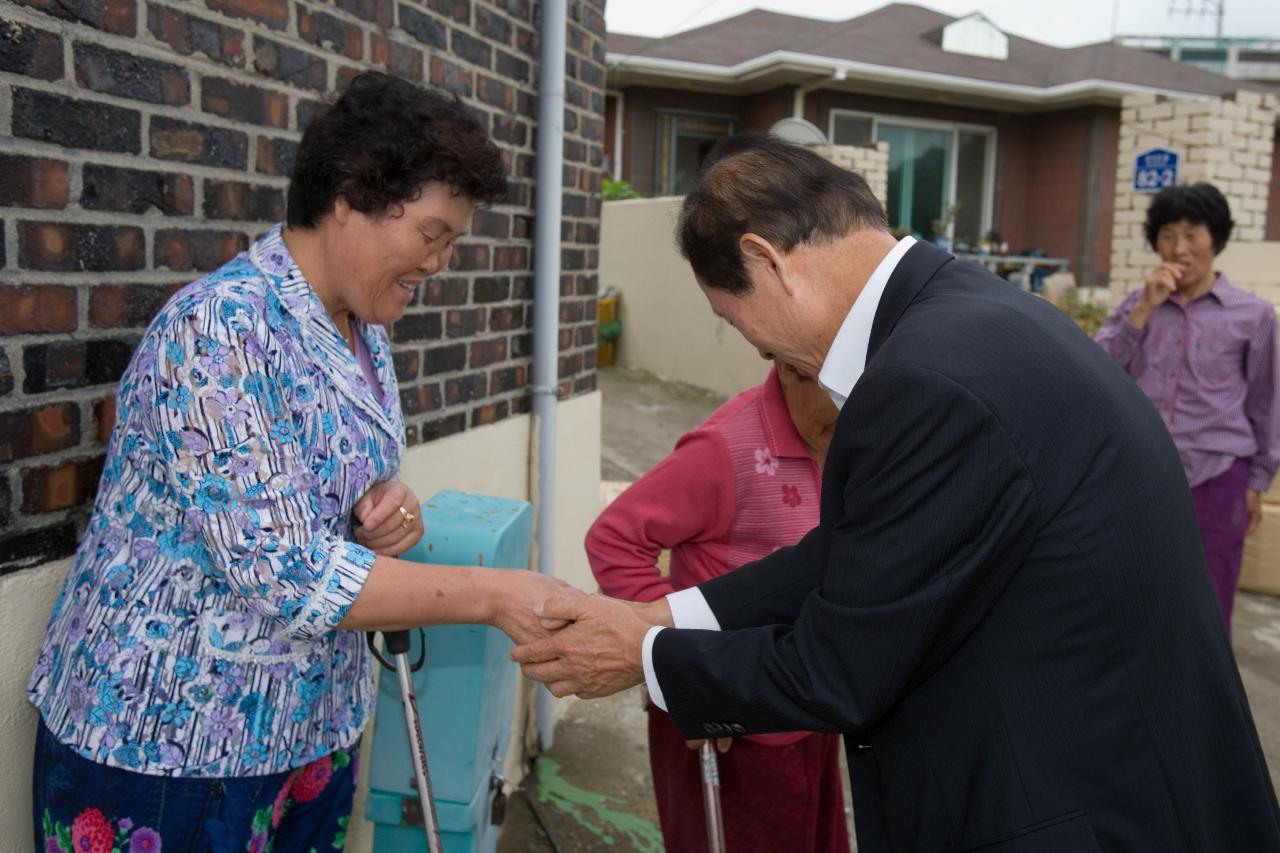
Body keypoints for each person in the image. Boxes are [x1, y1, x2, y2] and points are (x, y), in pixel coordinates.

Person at [513, 135, 1280, 852]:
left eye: (732, 315)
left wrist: (646, 657)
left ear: (769, 262)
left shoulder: (923, 380)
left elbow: (836, 669)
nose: (753, 345)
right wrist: (667, 612)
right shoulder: (969, 318)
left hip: (1076, 803)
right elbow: (863, 546)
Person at [27, 71, 562, 852]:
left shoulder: (363, 331)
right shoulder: (218, 329)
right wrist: (493, 595)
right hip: (168, 745)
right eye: (433, 232)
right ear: (350, 196)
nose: (441, 261)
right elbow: (286, 568)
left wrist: (393, 506)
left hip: (303, 732)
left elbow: (330, 489)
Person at [586, 363, 848, 853]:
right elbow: (614, 539)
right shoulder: (727, 447)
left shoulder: (845, 430)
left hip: (804, 706)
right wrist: (690, 674)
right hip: (728, 725)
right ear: (792, 369)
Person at [1095, 183, 1278, 634]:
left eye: (1192, 234)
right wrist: (1142, 312)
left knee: (1210, 602)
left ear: (1215, 239)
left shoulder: (1252, 315)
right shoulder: (1137, 306)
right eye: (1168, 235)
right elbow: (1099, 375)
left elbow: (1266, 402)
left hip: (1217, 475)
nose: (1179, 248)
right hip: (1142, 473)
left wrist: (1257, 481)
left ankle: (1202, 699)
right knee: (1136, 589)